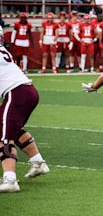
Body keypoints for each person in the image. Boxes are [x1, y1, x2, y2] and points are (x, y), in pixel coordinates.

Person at [0, 45, 49, 193]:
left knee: (4, 136)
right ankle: (38, 162)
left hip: (16, 92)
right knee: (11, 129)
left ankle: (10, 180)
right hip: (28, 90)